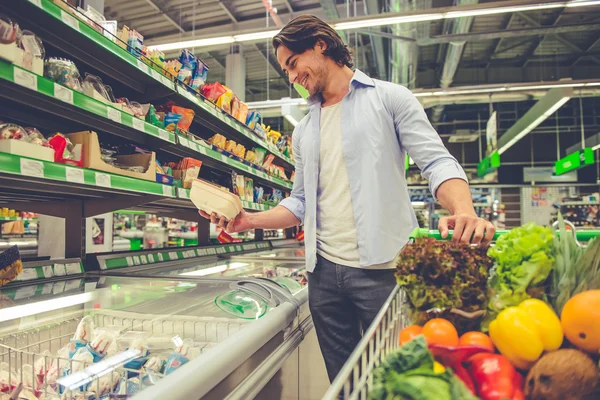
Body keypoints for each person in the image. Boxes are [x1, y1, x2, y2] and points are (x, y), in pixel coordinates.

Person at [200, 14, 496, 384]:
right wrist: (249, 220)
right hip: (322, 277)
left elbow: (436, 161)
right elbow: (300, 201)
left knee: (395, 379)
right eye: (286, 70)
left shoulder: (389, 99)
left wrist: (464, 209)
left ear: (321, 45)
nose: (291, 77)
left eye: (293, 64)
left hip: (383, 272)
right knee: (344, 382)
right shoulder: (305, 129)